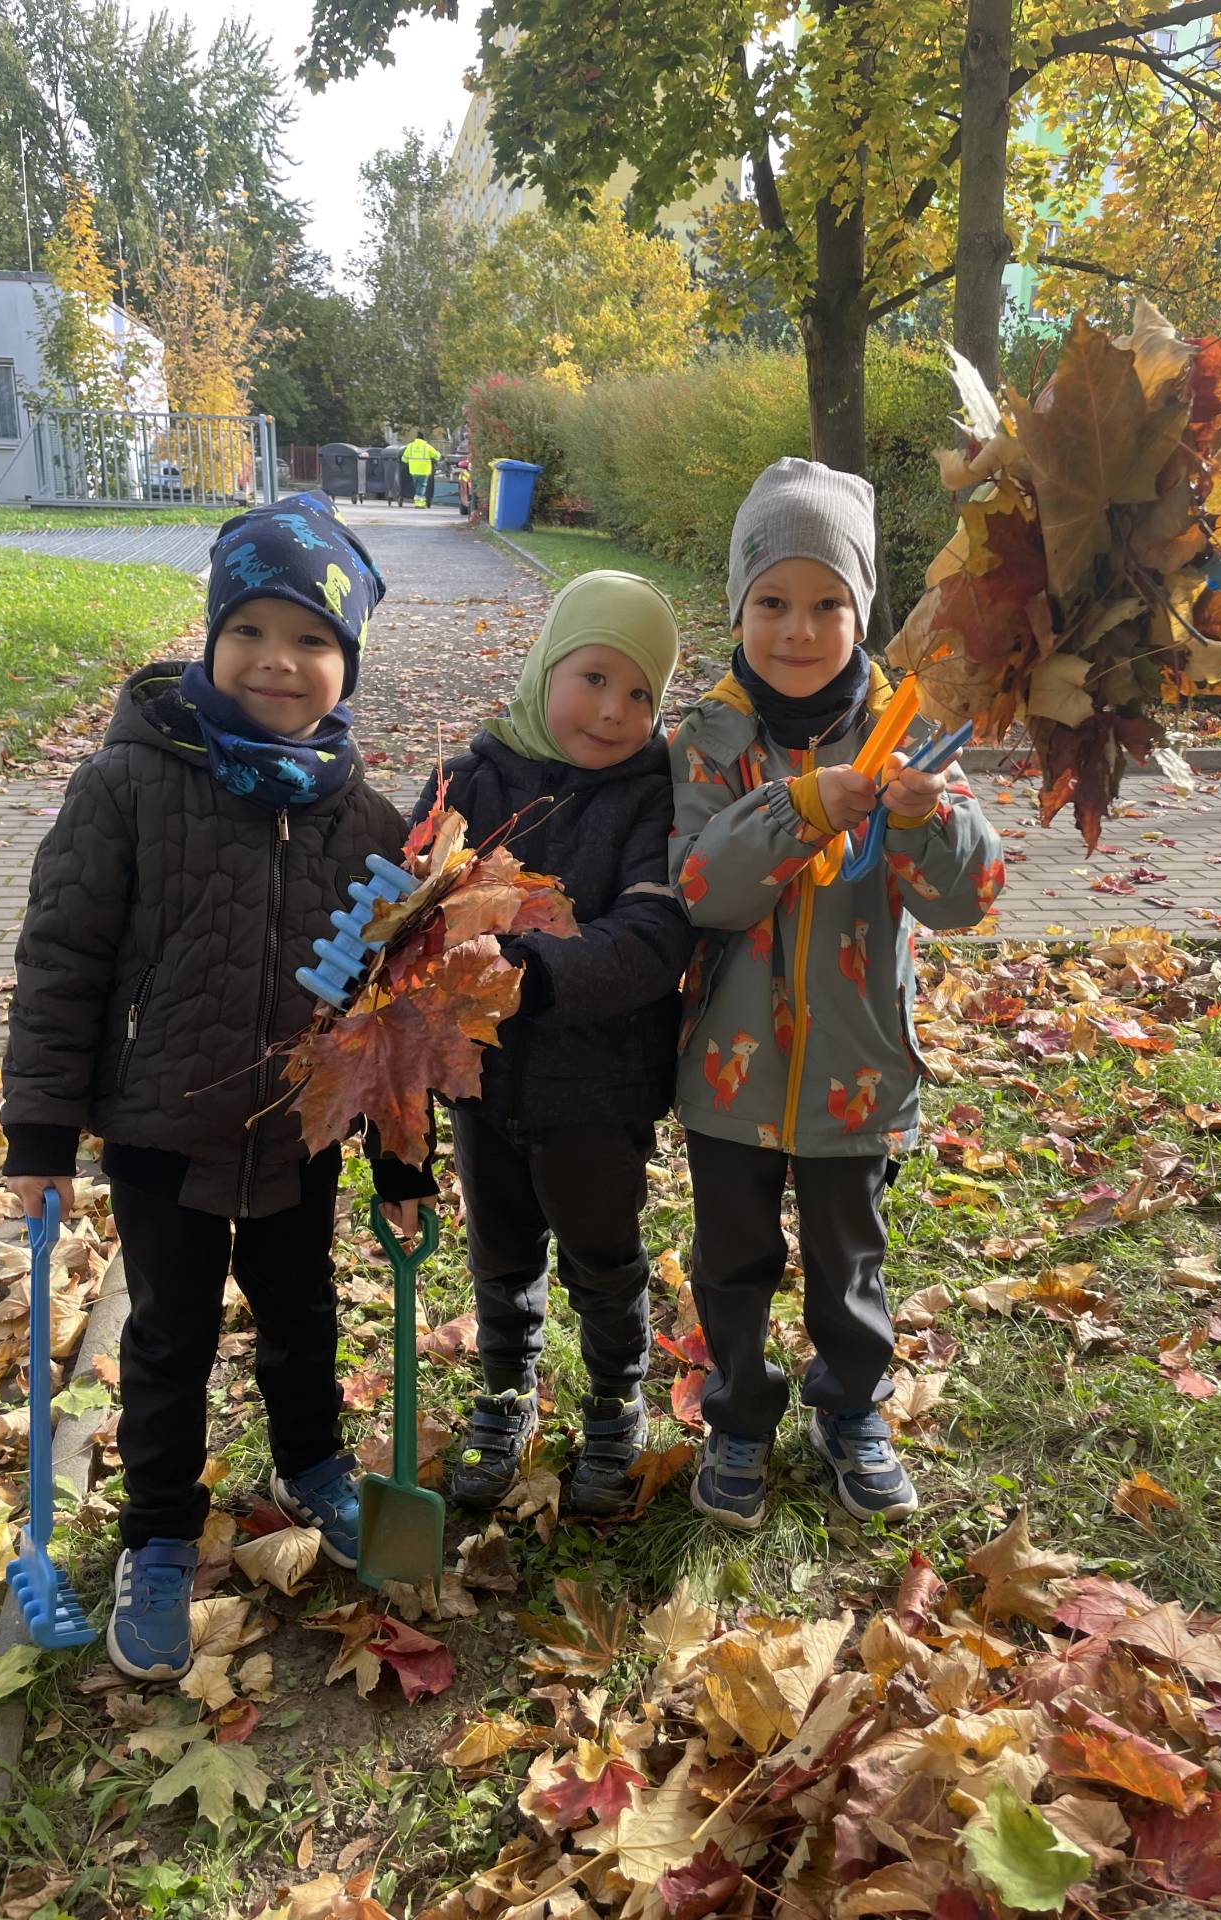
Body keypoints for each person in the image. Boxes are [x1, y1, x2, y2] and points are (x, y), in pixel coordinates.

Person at [0, 491, 432, 1681]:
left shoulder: (369, 821)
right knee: (169, 1334)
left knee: (301, 1313)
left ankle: (313, 1462)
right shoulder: (127, 785)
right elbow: (62, 958)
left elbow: (395, 1022)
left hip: (299, 1135)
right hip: (161, 1128)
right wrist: (39, 1133)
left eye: (311, 638)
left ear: (348, 662)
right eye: (249, 630)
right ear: (209, 637)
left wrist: (402, 1160)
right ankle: (157, 1532)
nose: (277, 661)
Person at [668, 458, 1005, 1529]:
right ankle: (737, 1415)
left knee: (849, 1259)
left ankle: (852, 1407)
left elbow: (966, 900)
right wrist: (803, 806)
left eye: (828, 604)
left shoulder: (910, 733)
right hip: (731, 1071)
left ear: (862, 613)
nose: (799, 629)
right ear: (739, 608)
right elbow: (703, 889)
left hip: (858, 1067)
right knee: (732, 1260)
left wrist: (920, 818)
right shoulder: (711, 737)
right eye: (772, 602)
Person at [408, 571, 695, 1518]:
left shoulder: (653, 796)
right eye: (594, 678)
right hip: (483, 1082)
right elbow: (408, 901)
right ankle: (505, 1393)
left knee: (602, 1255)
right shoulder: (472, 778)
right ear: (545, 670)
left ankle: (615, 1402)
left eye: (641, 692)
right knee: (500, 1251)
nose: (614, 711)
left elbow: (652, 937)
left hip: (599, 1088)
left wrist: (530, 973)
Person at [402, 430, 442, 509]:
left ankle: (418, 501)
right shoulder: (427, 447)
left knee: (417, 486)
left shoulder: (410, 446)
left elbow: (404, 459)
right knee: (422, 486)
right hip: (424, 471)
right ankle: (419, 503)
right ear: (424, 439)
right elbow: (437, 456)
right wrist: (439, 454)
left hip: (413, 470)